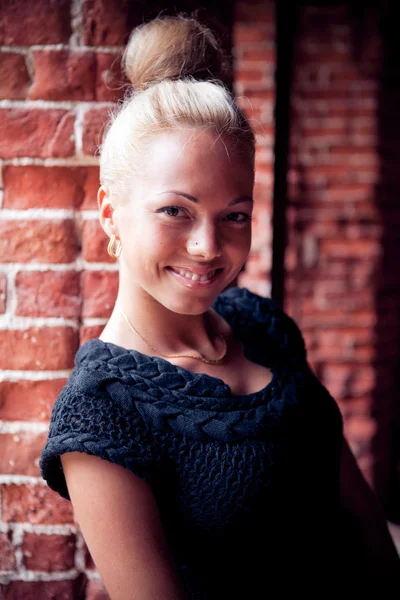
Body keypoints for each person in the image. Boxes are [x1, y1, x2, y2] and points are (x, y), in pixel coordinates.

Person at [40, 15, 400, 598]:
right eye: (175, 211)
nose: (209, 247)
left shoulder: (261, 324)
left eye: (235, 215)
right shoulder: (99, 419)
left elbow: (361, 520)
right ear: (110, 214)